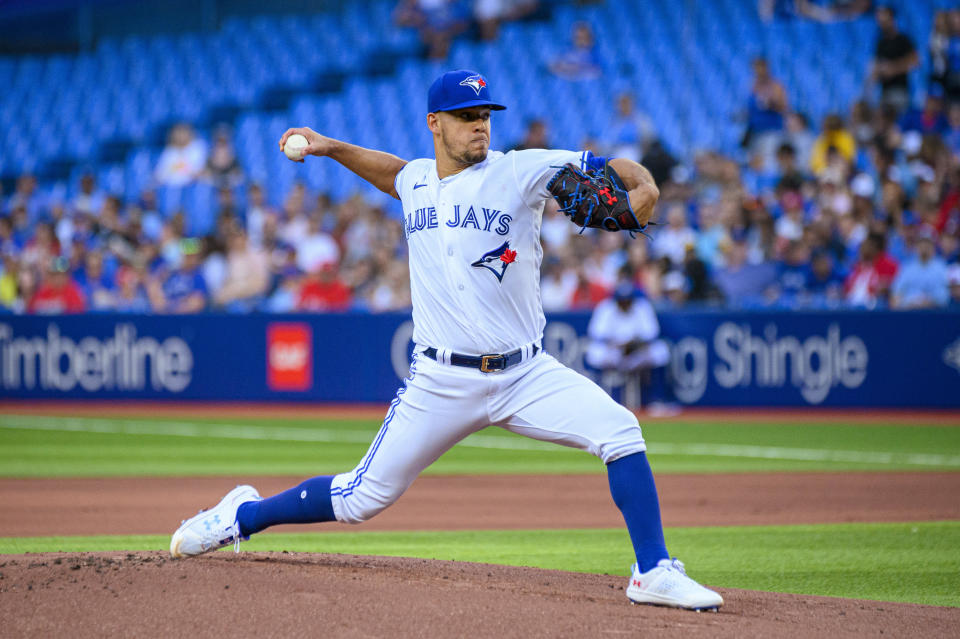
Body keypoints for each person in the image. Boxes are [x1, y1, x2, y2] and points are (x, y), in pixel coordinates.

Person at [170, 69, 722, 611]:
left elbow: (606, 167)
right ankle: (240, 516)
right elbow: (394, 174)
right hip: (440, 380)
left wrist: (642, 183)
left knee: (620, 430)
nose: (479, 126)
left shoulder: (518, 171)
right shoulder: (416, 180)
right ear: (435, 123)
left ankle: (652, 571)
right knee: (361, 498)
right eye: (465, 117)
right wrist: (331, 147)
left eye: (484, 116)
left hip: (526, 373)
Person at [585, 282, 671, 411]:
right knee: (593, 352)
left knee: (661, 351)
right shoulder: (606, 307)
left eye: (628, 301)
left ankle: (656, 400)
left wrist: (633, 344)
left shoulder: (642, 307)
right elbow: (597, 334)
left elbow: (651, 334)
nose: (625, 304)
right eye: (621, 301)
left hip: (636, 353)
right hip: (614, 353)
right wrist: (618, 345)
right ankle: (596, 400)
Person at [871, 6, 919, 114]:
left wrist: (893, 69)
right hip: (885, 92)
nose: (881, 23)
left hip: (900, 90)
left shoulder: (903, 39)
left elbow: (915, 61)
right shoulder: (880, 42)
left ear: (892, 19)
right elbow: (876, 63)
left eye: (884, 19)